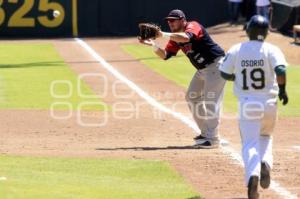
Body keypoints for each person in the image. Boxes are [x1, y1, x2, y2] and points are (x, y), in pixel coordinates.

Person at [219, 15, 288, 199]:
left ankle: (253, 176)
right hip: (269, 103)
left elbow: (224, 73)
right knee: (265, 136)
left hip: (248, 103)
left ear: (248, 31)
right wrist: (282, 90)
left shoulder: (237, 49)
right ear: (266, 33)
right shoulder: (272, 49)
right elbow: (281, 70)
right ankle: (265, 162)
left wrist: (237, 78)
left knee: (250, 143)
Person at [139, 9, 226, 149]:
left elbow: (186, 37)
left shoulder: (192, 26)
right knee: (192, 97)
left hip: (216, 65)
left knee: (211, 101)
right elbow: (165, 55)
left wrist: (162, 34)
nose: (170, 23)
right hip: (203, 70)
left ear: (182, 20)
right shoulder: (175, 38)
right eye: (169, 21)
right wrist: (153, 45)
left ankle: (213, 139)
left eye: (173, 20)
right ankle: (206, 134)